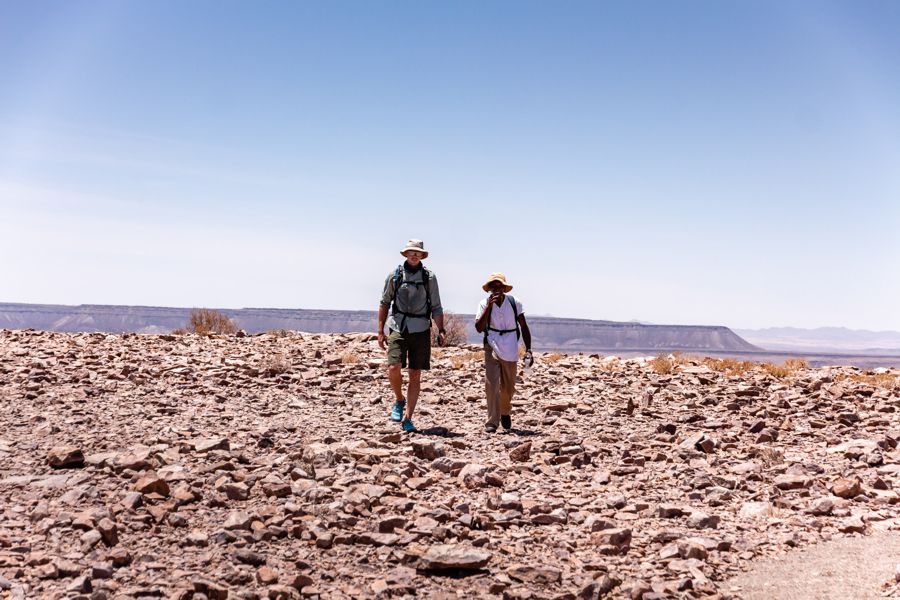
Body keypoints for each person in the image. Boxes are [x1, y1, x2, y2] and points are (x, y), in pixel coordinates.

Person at [378, 239, 446, 432]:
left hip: (421, 328)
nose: (414, 255)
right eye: (411, 252)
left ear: (422, 256)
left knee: (415, 373)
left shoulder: (429, 278)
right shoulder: (395, 275)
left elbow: (436, 306)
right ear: (406, 255)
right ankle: (399, 399)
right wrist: (380, 331)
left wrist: (440, 329)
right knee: (393, 367)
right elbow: (384, 303)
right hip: (398, 326)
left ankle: (408, 417)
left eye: (417, 253)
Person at [474, 273, 532, 433]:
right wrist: (489, 307)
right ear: (490, 289)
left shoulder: (514, 303)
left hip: (511, 345)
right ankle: (492, 421)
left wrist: (529, 350)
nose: (497, 289)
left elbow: (524, 327)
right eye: (493, 287)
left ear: (504, 288)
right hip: (491, 343)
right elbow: (479, 328)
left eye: (499, 286)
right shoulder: (483, 304)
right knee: (491, 384)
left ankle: (505, 410)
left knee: (508, 387)